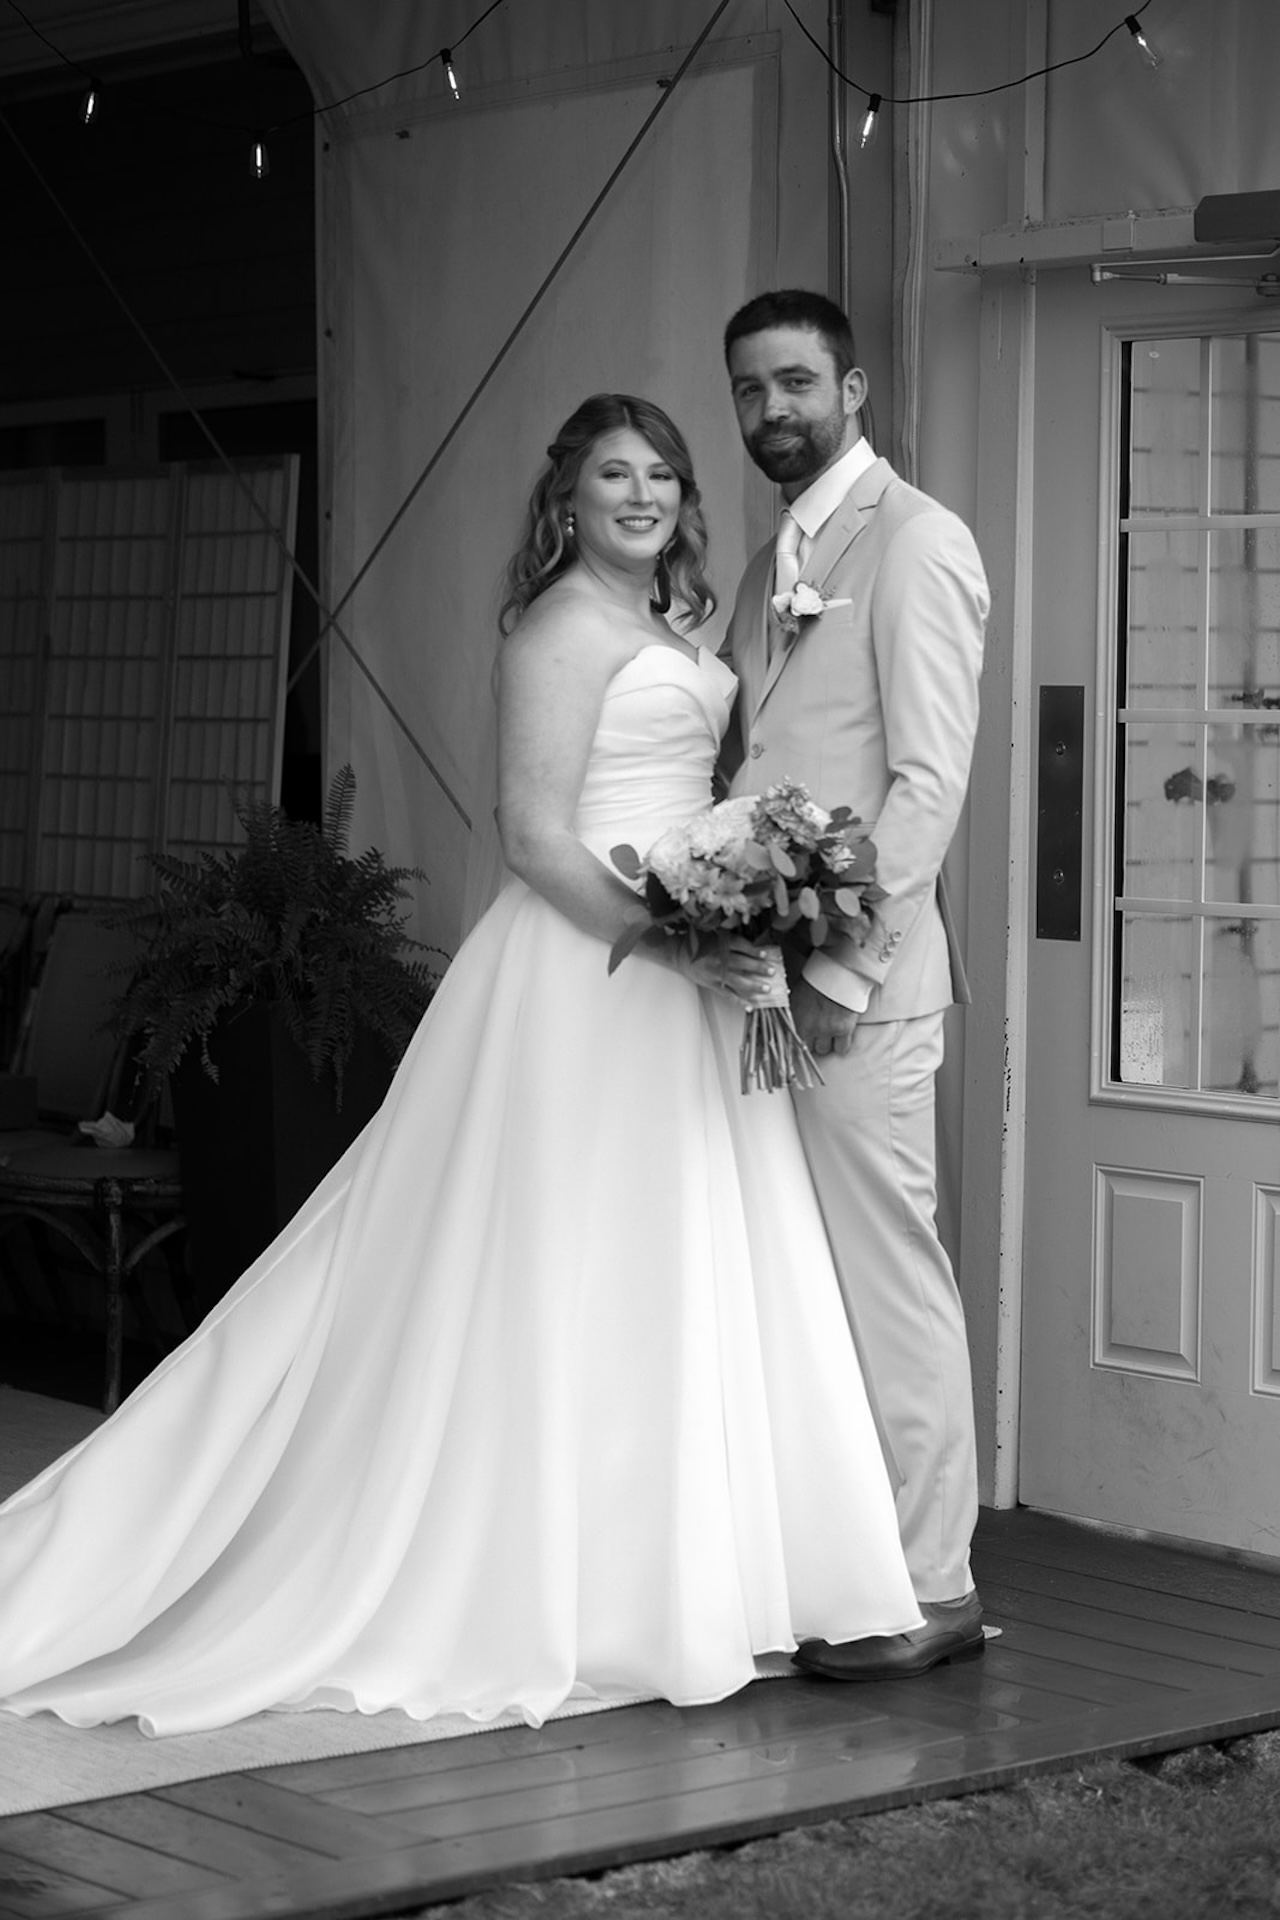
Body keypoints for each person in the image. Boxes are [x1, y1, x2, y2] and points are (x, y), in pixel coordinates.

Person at [0, 393, 922, 1738]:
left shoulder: (679, 626)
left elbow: (696, 793)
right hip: (588, 974)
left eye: (662, 472)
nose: (643, 493)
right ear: (566, 497)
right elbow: (540, 840)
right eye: (615, 472)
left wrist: (747, 898)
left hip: (683, 970)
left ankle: (696, 1580)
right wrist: (683, 946)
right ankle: (557, 1584)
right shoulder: (555, 630)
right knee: (555, 1267)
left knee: (681, 1260)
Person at [720, 291, 990, 1681]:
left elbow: (929, 781)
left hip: (860, 989)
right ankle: (837, 1559)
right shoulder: (774, 561)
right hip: (764, 983)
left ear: (855, 386)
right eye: (751, 392)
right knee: (798, 1274)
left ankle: (934, 1583)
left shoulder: (919, 540)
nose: (773, 411)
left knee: (886, 1273)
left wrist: (842, 958)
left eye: (796, 384)